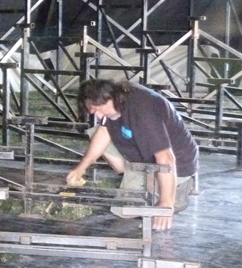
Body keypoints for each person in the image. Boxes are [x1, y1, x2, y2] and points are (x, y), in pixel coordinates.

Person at [65, 78, 198, 231]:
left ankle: (175, 189)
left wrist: (166, 204)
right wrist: (81, 168)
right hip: (146, 150)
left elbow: (166, 158)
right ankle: (136, 175)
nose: (100, 116)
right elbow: (103, 132)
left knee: (124, 209)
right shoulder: (120, 97)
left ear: (110, 98)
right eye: (95, 112)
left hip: (178, 164)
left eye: (100, 110)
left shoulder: (144, 113)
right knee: (97, 132)